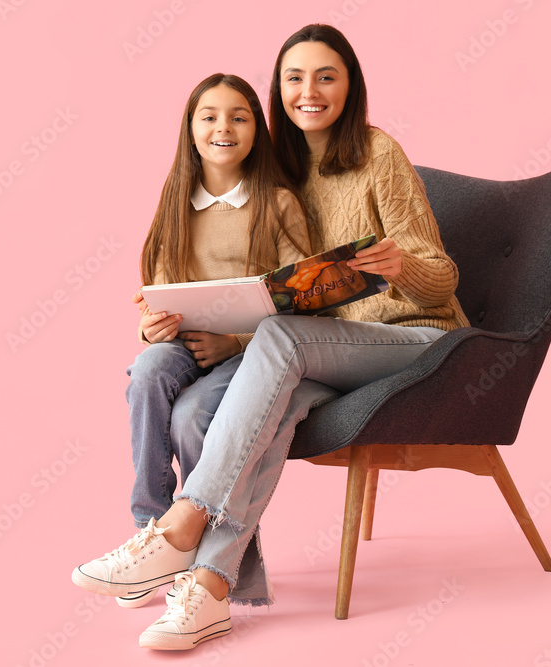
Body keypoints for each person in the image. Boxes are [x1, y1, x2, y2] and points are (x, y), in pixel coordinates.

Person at [72, 24, 469, 651]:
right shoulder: (275, 169)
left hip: (417, 337)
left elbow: (442, 278)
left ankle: (178, 527)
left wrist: (403, 267)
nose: (308, 91)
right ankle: (210, 589)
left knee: (280, 338)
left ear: (350, 86)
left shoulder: (376, 152)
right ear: (277, 90)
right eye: (294, 77)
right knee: (204, 408)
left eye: (326, 76)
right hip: (327, 345)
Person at [69, 73, 309, 609]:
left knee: (191, 417)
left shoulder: (278, 205)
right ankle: (148, 532)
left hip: (250, 355)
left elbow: (303, 299)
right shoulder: (175, 199)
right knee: (148, 370)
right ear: (191, 128)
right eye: (210, 116)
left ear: (256, 130)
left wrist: (235, 340)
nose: (223, 126)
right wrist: (149, 328)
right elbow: (155, 291)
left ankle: (216, 565)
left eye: (239, 116)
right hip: (184, 343)